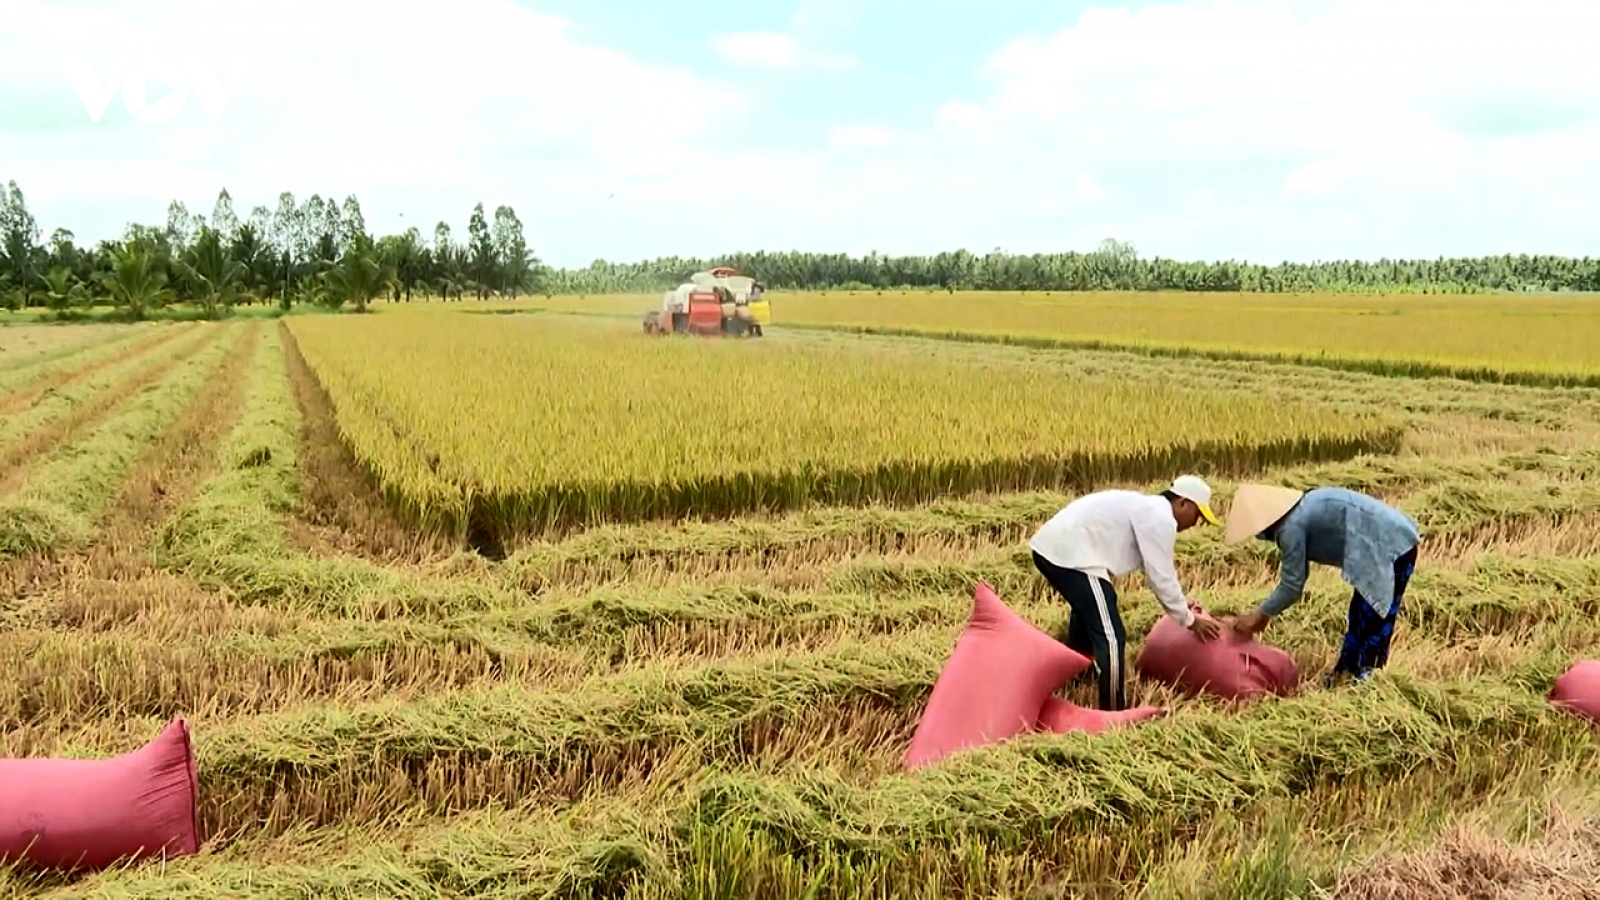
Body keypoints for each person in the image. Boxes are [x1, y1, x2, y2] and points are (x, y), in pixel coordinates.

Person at [1029, 475, 1225, 711]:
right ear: (1183, 503)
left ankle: (1078, 675)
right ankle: (1113, 712)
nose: (1196, 523)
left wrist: (1181, 605)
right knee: (1111, 636)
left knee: (1093, 610)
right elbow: (1160, 576)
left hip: (1058, 550)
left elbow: (1152, 567)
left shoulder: (1148, 509)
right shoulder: (1160, 518)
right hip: (1070, 556)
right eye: (1198, 515)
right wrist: (1189, 620)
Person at [1225, 484, 1420, 687]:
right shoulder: (1302, 507)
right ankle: (1344, 672)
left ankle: (1368, 682)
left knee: (1374, 618)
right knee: (1358, 614)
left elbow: (1292, 585)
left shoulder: (1291, 527)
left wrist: (1260, 614)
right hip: (1381, 541)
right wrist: (1265, 614)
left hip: (1391, 547)